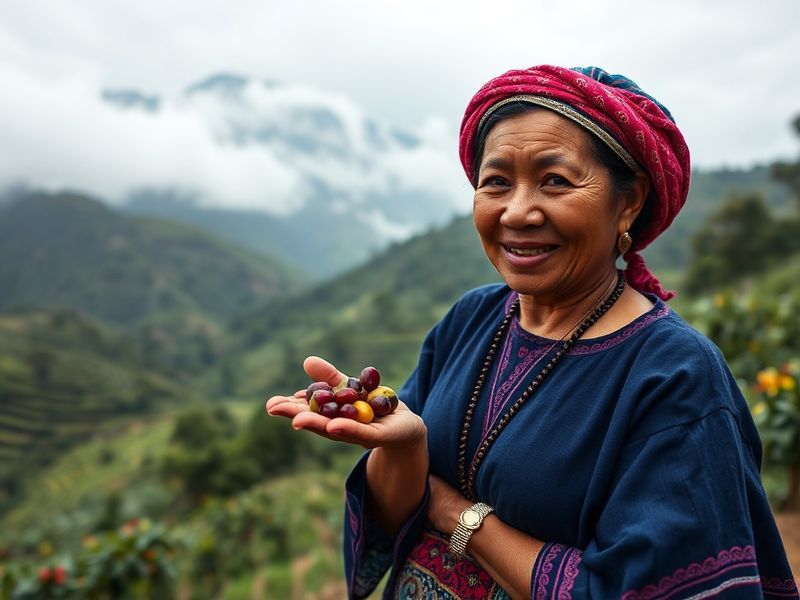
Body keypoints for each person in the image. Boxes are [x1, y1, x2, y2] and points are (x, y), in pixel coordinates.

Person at [267, 65, 797, 599]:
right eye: (496, 182)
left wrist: (456, 513)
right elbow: (395, 513)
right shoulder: (471, 319)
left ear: (629, 201)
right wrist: (405, 450)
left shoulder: (674, 375)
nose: (517, 212)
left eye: (556, 181)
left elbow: (630, 589)